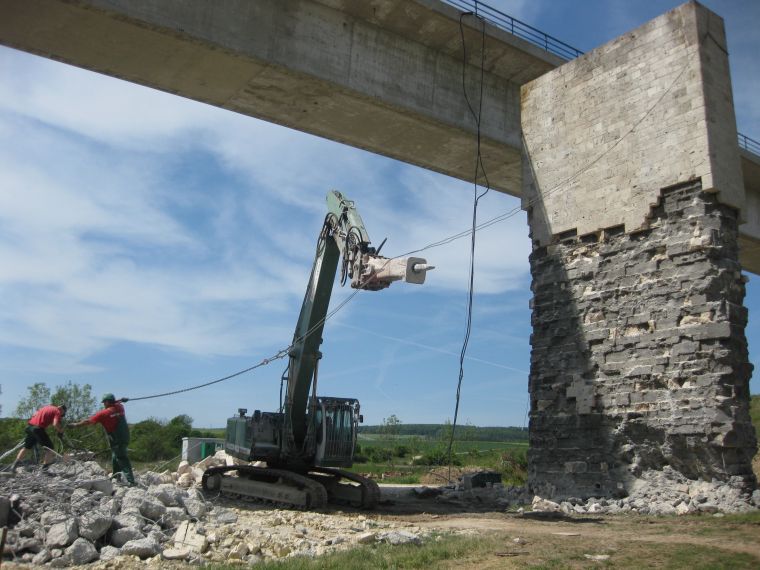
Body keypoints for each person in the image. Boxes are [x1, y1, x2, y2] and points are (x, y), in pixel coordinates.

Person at [70, 393, 135, 485]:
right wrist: (121, 399)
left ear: (108, 402)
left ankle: (130, 481)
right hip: (125, 436)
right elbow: (117, 402)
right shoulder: (120, 407)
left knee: (121, 457)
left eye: (104, 402)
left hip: (116, 438)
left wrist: (75, 425)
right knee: (115, 456)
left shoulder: (104, 413)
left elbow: (88, 421)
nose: (104, 404)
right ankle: (116, 476)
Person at [11, 403, 67, 471]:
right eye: (62, 414)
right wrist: (60, 431)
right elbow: (55, 424)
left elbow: (35, 415)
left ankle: (14, 466)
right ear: (62, 410)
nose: (61, 416)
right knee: (50, 449)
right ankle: (44, 470)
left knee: (26, 447)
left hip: (30, 427)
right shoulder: (57, 411)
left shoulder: (47, 407)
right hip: (38, 429)